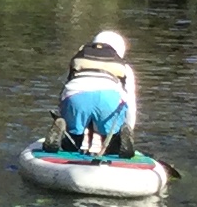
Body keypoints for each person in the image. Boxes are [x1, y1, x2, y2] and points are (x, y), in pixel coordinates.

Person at [56, 27, 138, 156]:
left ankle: (69, 140)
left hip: (76, 96)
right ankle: (116, 141)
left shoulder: (79, 59)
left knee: (71, 143)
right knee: (113, 142)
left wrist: (62, 115)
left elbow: (64, 89)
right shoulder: (124, 67)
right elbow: (130, 104)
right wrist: (129, 127)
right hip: (109, 99)